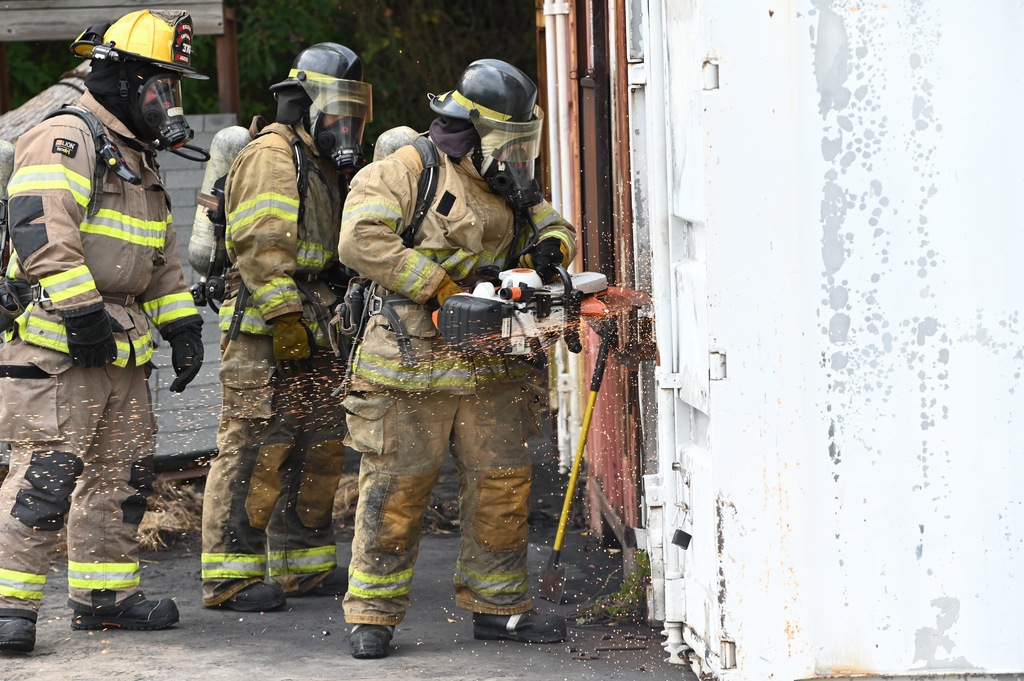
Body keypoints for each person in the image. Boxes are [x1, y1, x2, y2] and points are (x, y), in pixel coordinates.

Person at [338, 58, 576, 659]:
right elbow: (361, 238)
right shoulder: (407, 169)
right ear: (471, 128)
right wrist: (440, 288)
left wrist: (553, 247)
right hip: (410, 364)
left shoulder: (506, 178)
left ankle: (499, 606)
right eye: (505, 140)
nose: (514, 155)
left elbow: (553, 221)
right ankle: (372, 614)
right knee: (396, 488)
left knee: (502, 487)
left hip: (495, 364)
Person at [0, 10, 206, 653]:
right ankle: (10, 606)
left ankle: (104, 599)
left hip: (119, 348)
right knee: (46, 477)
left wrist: (182, 326)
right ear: (117, 78)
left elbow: (159, 258)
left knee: (121, 478)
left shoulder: (136, 158)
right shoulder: (67, 136)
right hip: (55, 347)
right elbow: (38, 229)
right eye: (157, 84)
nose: (166, 99)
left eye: (172, 87)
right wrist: (81, 311)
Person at [199, 43, 372, 612]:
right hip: (265, 328)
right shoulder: (274, 155)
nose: (347, 126)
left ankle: (303, 566)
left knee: (317, 445)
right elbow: (258, 245)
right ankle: (230, 577)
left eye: (354, 114)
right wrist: (284, 319)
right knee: (252, 448)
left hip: (315, 324)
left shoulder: (318, 160)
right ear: (304, 105)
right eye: (338, 113)